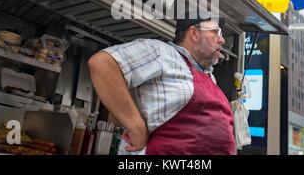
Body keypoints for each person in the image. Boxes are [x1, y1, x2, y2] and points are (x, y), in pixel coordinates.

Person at [87, 11, 236, 155]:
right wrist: (136, 126)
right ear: (194, 33)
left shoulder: (210, 77)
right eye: (215, 32)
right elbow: (103, 64)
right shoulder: (162, 52)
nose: (221, 40)